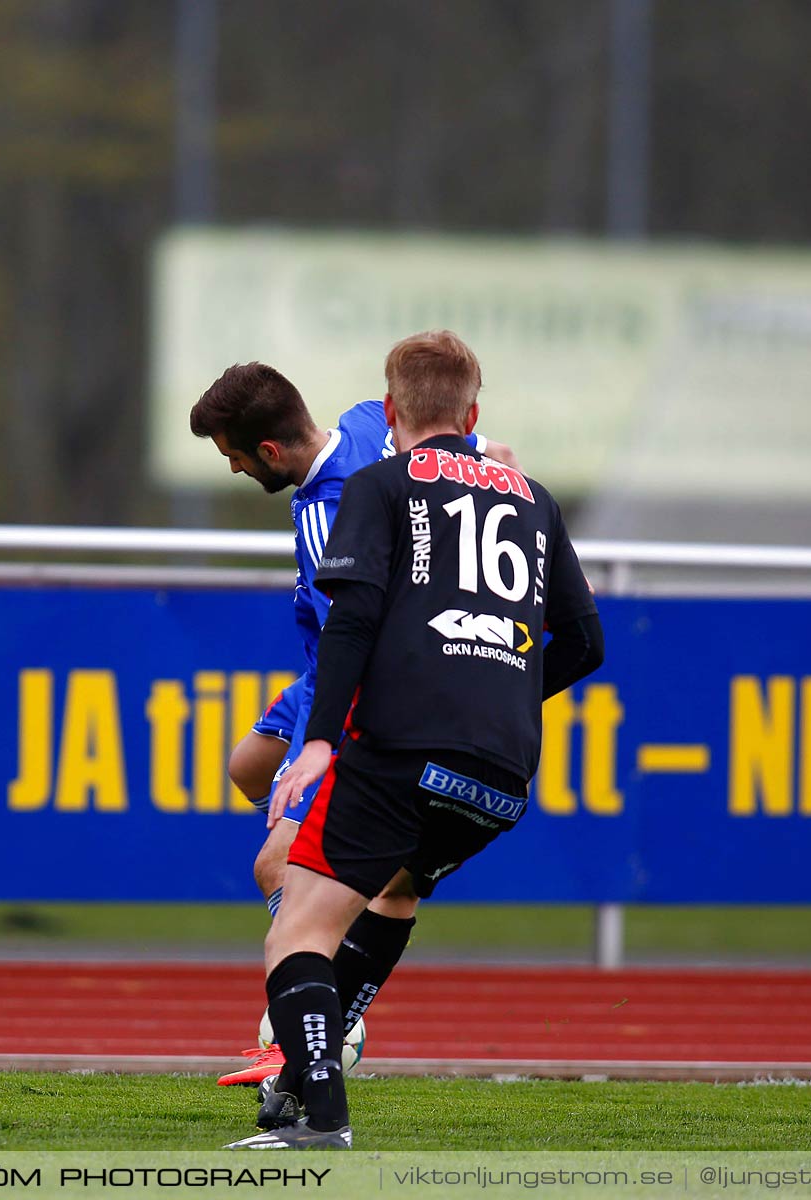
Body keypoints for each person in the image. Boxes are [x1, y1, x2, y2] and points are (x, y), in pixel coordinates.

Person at [223, 330, 603, 1149]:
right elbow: (585, 644)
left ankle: (319, 1112)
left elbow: (352, 620)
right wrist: (496, 687)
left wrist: (321, 743)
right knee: (393, 892)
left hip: (403, 748)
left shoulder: (379, 483)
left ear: (391, 411)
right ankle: (302, 1077)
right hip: (502, 771)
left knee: (296, 924)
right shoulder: (534, 497)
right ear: (474, 414)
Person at [189, 365, 517, 1087]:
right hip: (319, 672)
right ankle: (334, 915)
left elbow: (358, 637)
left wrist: (328, 744)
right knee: (246, 766)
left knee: (276, 864)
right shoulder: (370, 420)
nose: (236, 467)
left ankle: (316, 1010)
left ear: (269, 453)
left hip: (351, 683)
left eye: (234, 456)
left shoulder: (327, 511)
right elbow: (483, 449)